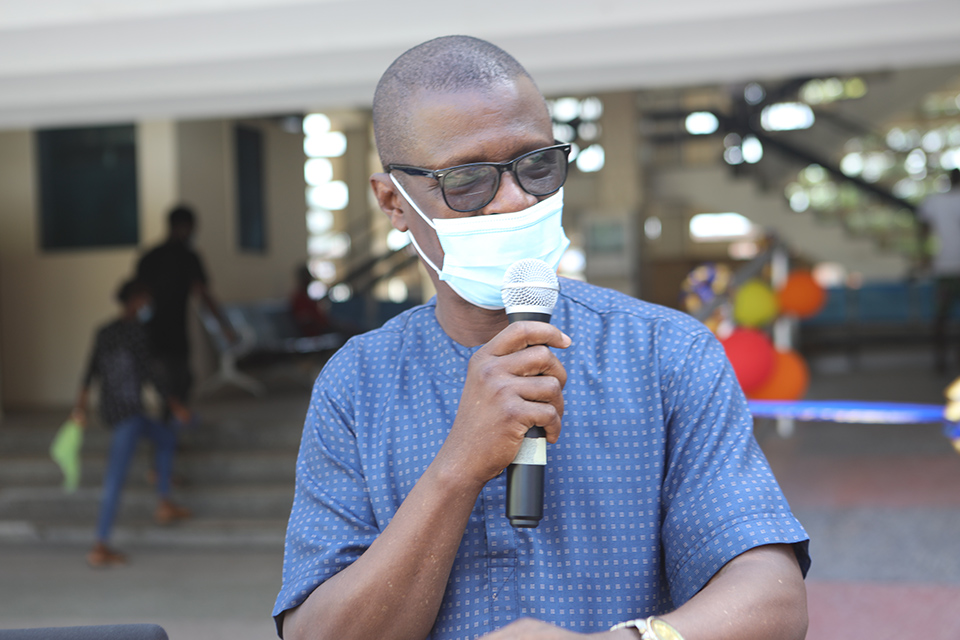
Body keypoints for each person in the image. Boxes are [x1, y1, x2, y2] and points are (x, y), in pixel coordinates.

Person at [274, 36, 810, 640]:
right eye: (468, 180)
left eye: (536, 166)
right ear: (394, 203)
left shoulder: (667, 354)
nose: (514, 200)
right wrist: (458, 467)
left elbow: (773, 600)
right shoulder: (357, 385)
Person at [72, 278, 193, 568]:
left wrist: (80, 407)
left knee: (165, 438)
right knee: (115, 479)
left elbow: (89, 372)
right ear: (136, 300)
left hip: (116, 413)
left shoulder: (104, 332)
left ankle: (164, 501)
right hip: (128, 414)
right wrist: (175, 405)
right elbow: (151, 373)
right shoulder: (137, 332)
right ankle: (100, 545)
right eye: (145, 300)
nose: (148, 306)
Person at [136, 205, 235, 417]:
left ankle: (170, 422)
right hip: (171, 332)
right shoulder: (188, 257)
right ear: (185, 227)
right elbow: (203, 295)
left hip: (154, 331)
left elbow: (137, 298)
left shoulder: (150, 256)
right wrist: (225, 325)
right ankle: (169, 423)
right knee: (177, 382)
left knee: (171, 382)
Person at [918, 168, 960, 372]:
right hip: (946, 268)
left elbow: (923, 228)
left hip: (944, 268)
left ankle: (940, 360)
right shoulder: (936, 201)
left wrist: (924, 254)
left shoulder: (935, 201)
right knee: (941, 318)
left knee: (941, 317)